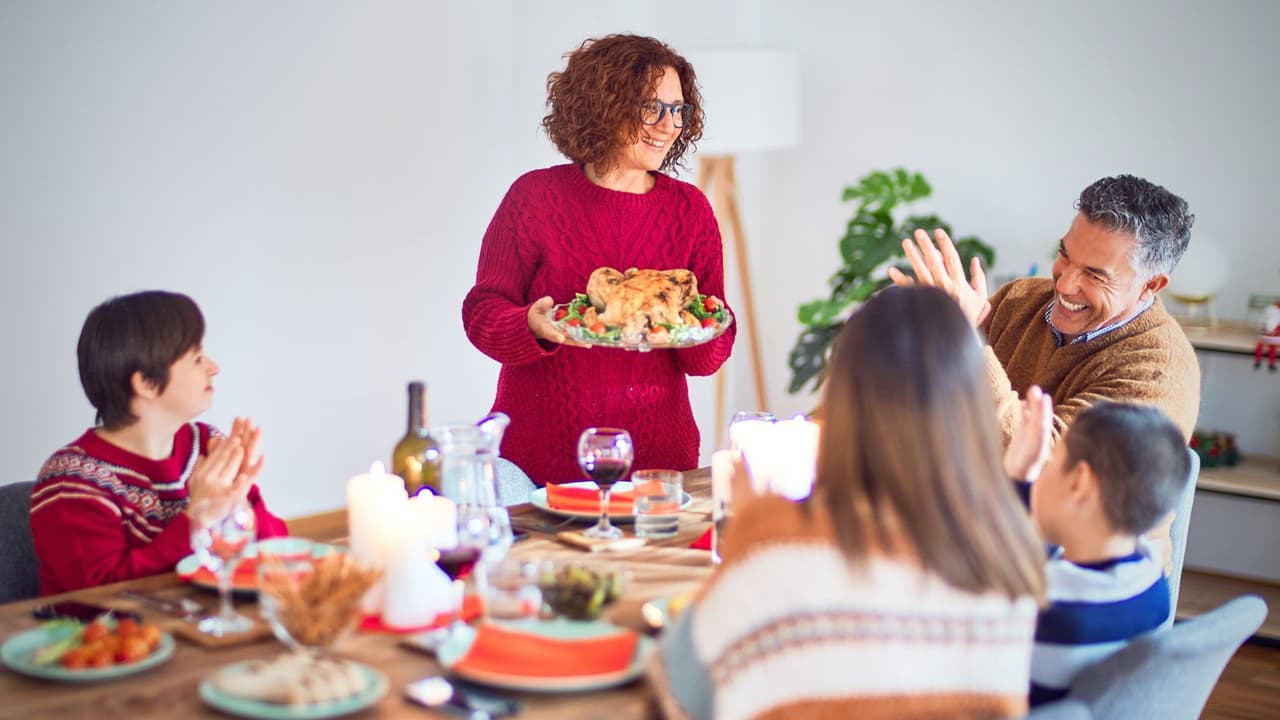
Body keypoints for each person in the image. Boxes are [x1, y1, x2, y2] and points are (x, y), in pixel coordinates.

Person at [650, 286, 1045, 720]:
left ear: (841, 400)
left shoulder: (779, 541)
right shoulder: (1011, 558)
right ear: (969, 410)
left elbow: (680, 683)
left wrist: (746, 540)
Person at [461, 34, 735, 486]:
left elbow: (709, 355)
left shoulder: (690, 209)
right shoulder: (534, 198)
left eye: (678, 110)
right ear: (604, 105)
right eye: (652, 107)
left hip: (656, 465)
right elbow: (482, 313)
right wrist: (531, 324)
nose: (669, 126)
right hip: (535, 469)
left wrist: (689, 327)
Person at [887, 173, 1199, 445]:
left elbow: (1045, 469)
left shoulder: (1157, 374)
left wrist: (965, 338)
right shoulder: (1019, 300)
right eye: (1065, 255)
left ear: (1151, 285)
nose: (1063, 285)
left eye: (1094, 275)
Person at [30, 290, 288, 595]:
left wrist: (240, 498)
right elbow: (100, 597)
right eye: (196, 358)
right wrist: (196, 517)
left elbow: (275, 553)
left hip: (201, 624)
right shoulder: (71, 481)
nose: (213, 367)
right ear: (146, 384)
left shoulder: (206, 445)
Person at [1004, 391, 1188, 706]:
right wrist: (1021, 480)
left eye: (1050, 466)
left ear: (1079, 482)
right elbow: (1047, 566)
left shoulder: (1041, 606)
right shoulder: (1150, 578)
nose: (1041, 476)